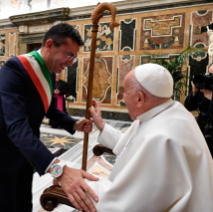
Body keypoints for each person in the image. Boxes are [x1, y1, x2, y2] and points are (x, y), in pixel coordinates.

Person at [0, 23, 98, 212]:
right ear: (50, 45)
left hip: (24, 152)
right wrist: (58, 170)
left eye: (74, 57)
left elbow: (47, 108)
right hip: (0, 150)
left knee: (23, 205)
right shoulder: (14, 68)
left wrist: (74, 124)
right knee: (4, 207)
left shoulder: (48, 71)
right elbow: (16, 126)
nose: (70, 62)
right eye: (68, 54)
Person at [83, 63, 213, 211]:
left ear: (139, 98)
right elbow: (129, 144)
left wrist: (80, 182)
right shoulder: (168, 112)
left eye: (125, 91)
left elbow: (125, 205)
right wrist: (100, 124)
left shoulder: (161, 138)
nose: (122, 97)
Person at [185, 64, 213, 156]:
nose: (210, 77)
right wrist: (194, 91)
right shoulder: (204, 88)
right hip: (202, 134)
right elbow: (188, 107)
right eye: (209, 74)